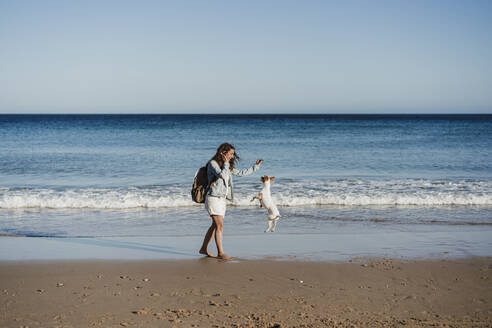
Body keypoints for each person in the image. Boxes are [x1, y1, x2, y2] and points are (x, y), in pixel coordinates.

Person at [199, 143, 263, 260]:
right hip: (213, 197)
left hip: (221, 199)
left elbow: (241, 173)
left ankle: (203, 248)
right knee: (220, 225)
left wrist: (256, 167)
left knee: (215, 225)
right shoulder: (213, 164)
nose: (232, 156)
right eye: (231, 154)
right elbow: (222, 175)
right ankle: (221, 253)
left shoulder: (226, 165)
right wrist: (226, 164)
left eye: (233, 154)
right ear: (223, 153)